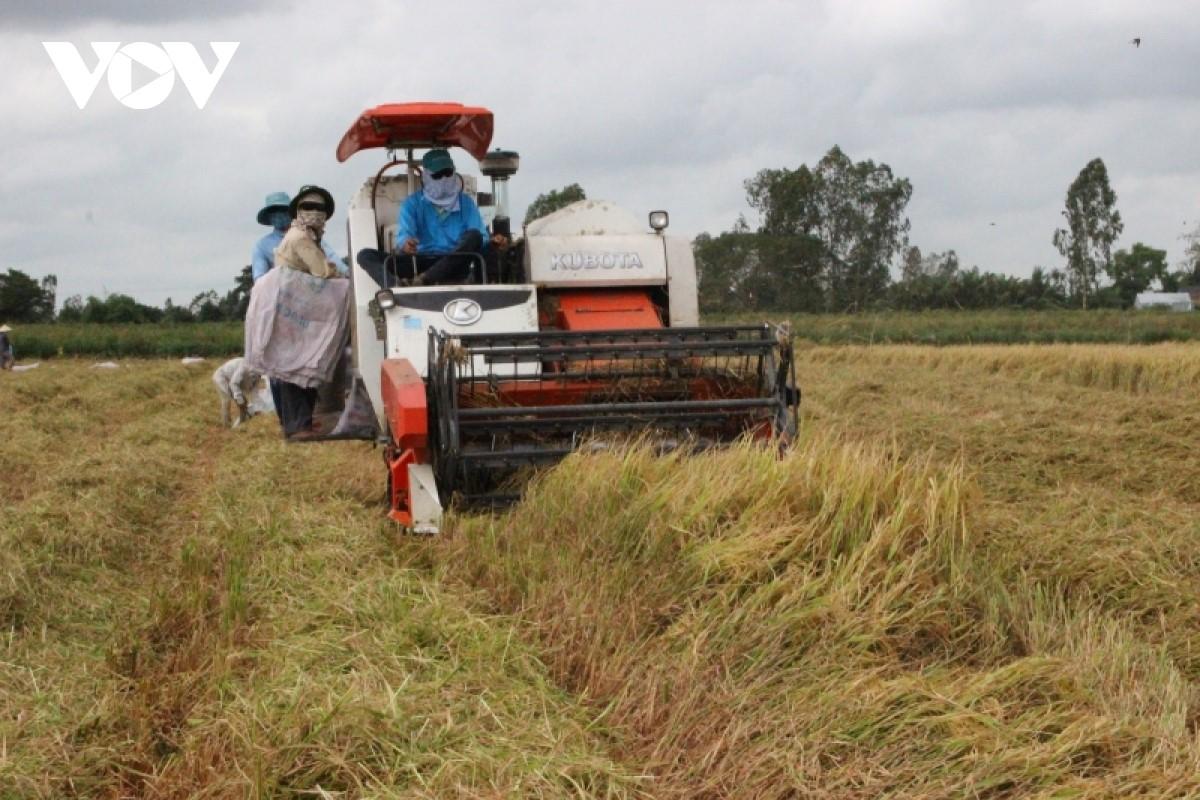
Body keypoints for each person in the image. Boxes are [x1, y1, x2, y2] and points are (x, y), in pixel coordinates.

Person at [388, 149, 507, 286]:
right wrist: (406, 244)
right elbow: (404, 235)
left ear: (454, 172)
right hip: (422, 261)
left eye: (448, 173)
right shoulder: (411, 204)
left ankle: (425, 280)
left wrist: (493, 241)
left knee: (475, 236)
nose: (444, 179)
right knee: (365, 256)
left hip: (457, 263)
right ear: (425, 177)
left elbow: (480, 236)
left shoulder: (466, 202)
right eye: (438, 175)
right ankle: (395, 285)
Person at [251, 191, 343, 283]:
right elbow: (259, 278)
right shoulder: (262, 246)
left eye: (283, 210)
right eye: (273, 211)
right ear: (269, 216)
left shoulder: (310, 236)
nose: (279, 214)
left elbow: (333, 258)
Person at [212, 356, 263, 428]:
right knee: (226, 400)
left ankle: (241, 423)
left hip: (231, 379)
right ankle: (226, 425)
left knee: (244, 402)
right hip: (222, 377)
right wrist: (239, 400)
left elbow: (254, 392)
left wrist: (258, 407)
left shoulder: (258, 374)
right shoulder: (244, 368)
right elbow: (234, 383)